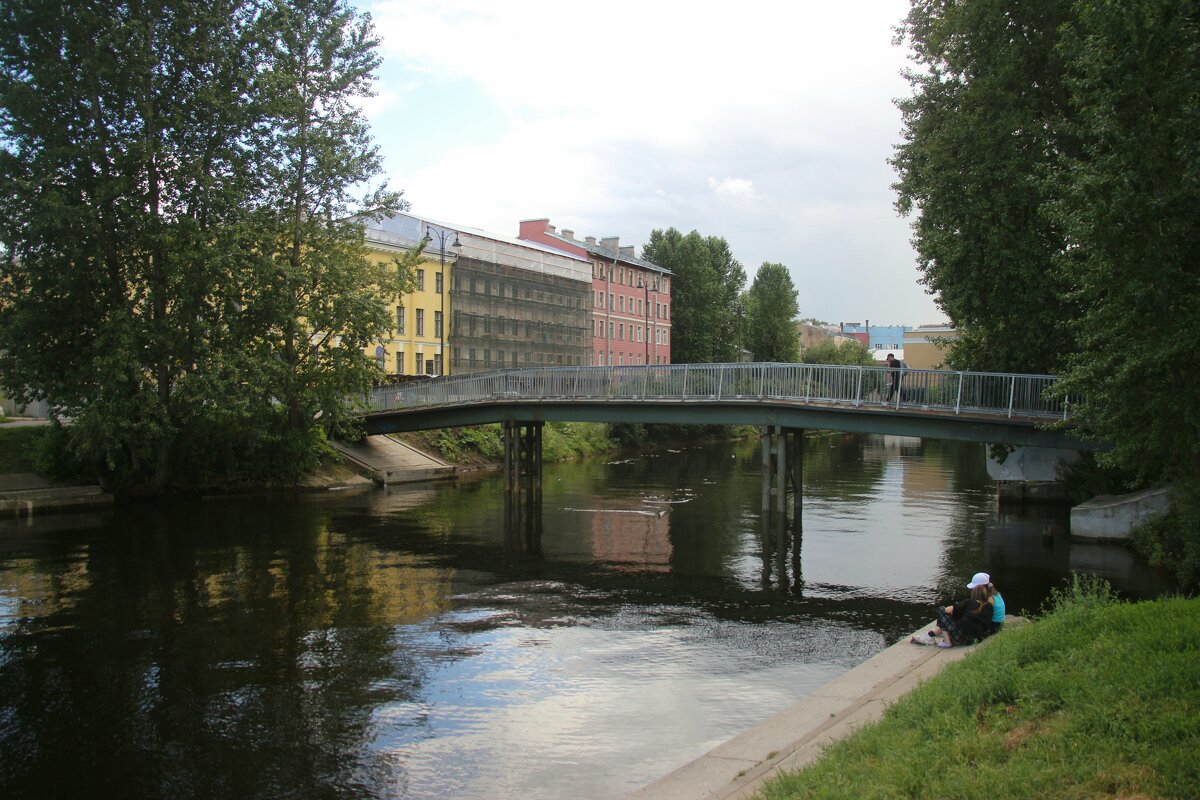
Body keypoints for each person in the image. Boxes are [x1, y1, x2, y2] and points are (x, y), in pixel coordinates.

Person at [913, 572, 994, 648]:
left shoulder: (969, 602)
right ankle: (931, 635)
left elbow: (947, 610)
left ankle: (947, 642)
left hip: (961, 636)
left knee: (941, 610)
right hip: (975, 639)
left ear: (974, 592)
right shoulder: (990, 606)